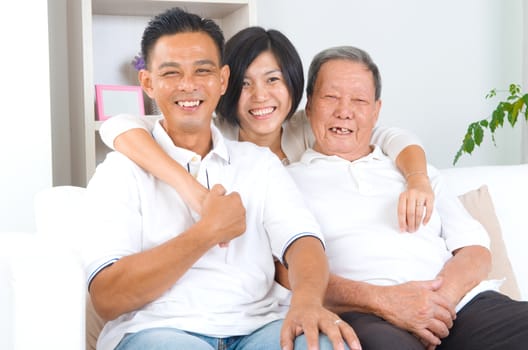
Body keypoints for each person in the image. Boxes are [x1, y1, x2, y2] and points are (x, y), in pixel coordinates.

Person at [82, 8, 360, 350]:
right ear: (148, 83)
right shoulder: (120, 171)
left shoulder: (258, 162)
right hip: (160, 330)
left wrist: (307, 302)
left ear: (223, 80)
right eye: (171, 73)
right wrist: (207, 231)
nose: (188, 85)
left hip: (260, 326)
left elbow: (302, 241)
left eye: (203, 70)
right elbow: (107, 297)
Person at [284, 45, 528, 349]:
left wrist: (433, 306)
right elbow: (288, 273)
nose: (344, 111)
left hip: (459, 307)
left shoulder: (415, 172)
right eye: (331, 97)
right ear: (309, 107)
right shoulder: (287, 182)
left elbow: (476, 252)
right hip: (367, 315)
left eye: (359, 100)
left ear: (376, 111)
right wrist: (388, 302)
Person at [99, 26, 433, 234]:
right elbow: (118, 126)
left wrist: (419, 180)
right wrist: (189, 188)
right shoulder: (215, 134)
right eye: (245, 83)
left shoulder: (308, 127)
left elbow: (392, 137)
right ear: (226, 85)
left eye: (273, 80)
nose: (261, 96)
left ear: (292, 84)